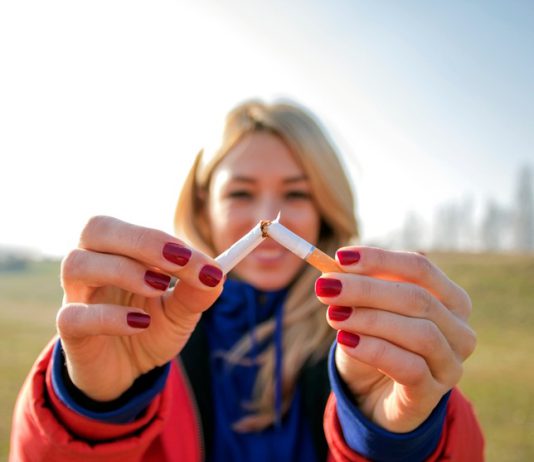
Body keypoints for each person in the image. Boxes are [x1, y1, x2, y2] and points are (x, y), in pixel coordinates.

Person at [10, 100, 484, 461]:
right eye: (240, 192)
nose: (266, 219)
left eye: (296, 193)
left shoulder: (374, 336)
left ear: (326, 209)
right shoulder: (144, 326)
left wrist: (395, 433)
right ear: (202, 208)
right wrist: (92, 407)